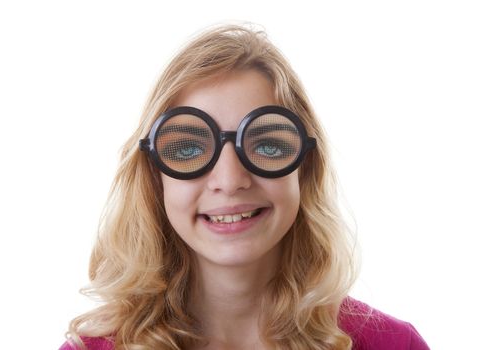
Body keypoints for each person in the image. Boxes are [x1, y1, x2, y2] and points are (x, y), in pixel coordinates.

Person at [60, 24, 429, 350]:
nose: (231, 180)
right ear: (155, 177)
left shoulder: (392, 345)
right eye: (188, 148)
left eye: (267, 146)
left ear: (304, 167)